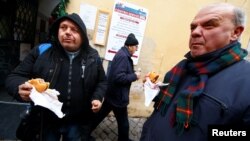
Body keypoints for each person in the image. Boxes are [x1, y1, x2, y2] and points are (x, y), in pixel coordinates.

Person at [140, 3, 250, 141]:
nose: (195, 32)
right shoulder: (182, 68)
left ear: (235, 32)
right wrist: (154, 90)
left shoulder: (246, 81)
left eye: (209, 25)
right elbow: (172, 104)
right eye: (193, 27)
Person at [5, 13, 107, 141]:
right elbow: (14, 76)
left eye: (74, 29)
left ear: (83, 36)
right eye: (63, 27)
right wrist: (18, 87)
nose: (68, 32)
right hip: (46, 121)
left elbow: (102, 82)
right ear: (57, 31)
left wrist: (97, 97)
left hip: (77, 122)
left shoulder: (93, 57)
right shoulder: (42, 51)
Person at [91, 33, 141, 141]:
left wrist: (133, 73)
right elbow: (118, 77)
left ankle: (84, 131)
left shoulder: (123, 54)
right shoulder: (123, 56)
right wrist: (134, 75)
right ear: (130, 46)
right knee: (124, 123)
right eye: (135, 47)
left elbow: (120, 73)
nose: (136, 49)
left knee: (99, 115)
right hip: (118, 96)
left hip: (112, 94)